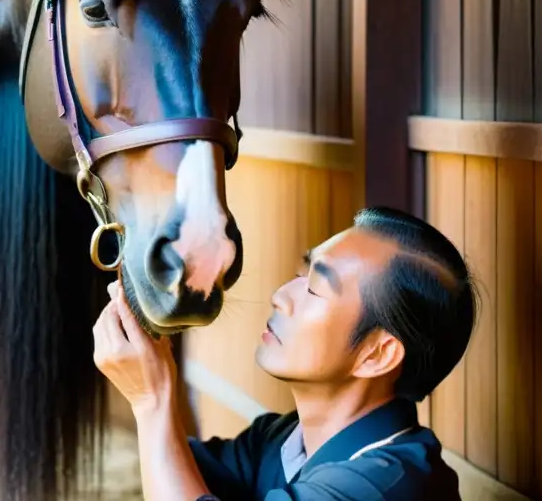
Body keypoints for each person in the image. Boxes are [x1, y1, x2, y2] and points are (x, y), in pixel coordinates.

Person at [92, 206, 476, 500]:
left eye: (314, 288)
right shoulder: (279, 440)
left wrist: (151, 399)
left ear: (377, 354)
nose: (281, 297)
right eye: (300, 274)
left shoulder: (386, 484)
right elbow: (171, 465)